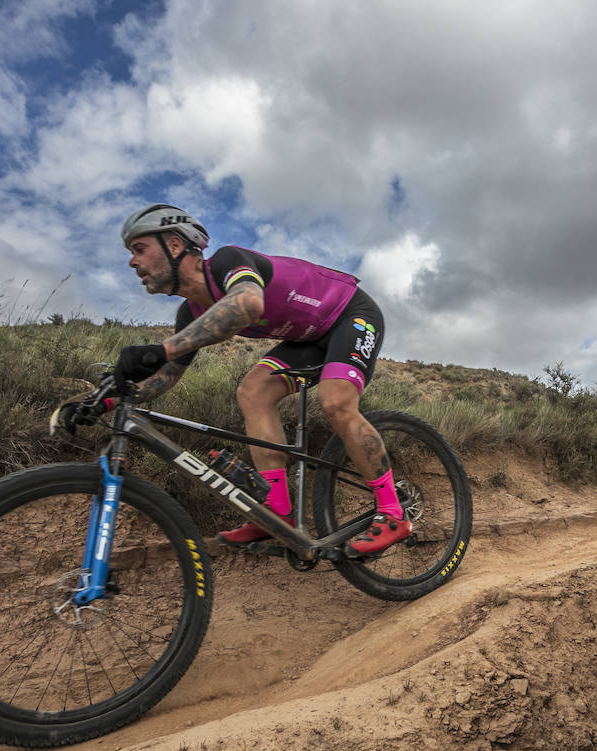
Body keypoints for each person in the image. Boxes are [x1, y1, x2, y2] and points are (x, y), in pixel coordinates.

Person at [62, 203, 411, 555]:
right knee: (253, 391)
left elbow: (247, 303)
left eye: (139, 249)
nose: (132, 262)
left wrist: (161, 349)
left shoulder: (228, 263)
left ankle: (393, 512)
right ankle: (277, 513)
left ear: (174, 245)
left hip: (349, 314)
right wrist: (105, 400)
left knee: (335, 402)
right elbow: (165, 379)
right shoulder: (190, 312)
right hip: (307, 339)